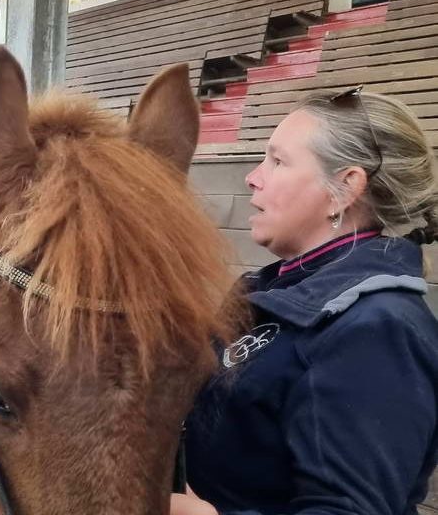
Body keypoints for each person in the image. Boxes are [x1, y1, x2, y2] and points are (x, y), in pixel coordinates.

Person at [172, 88, 438, 515]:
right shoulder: (273, 291)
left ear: (345, 188)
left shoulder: (378, 328)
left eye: (278, 161)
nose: (253, 177)